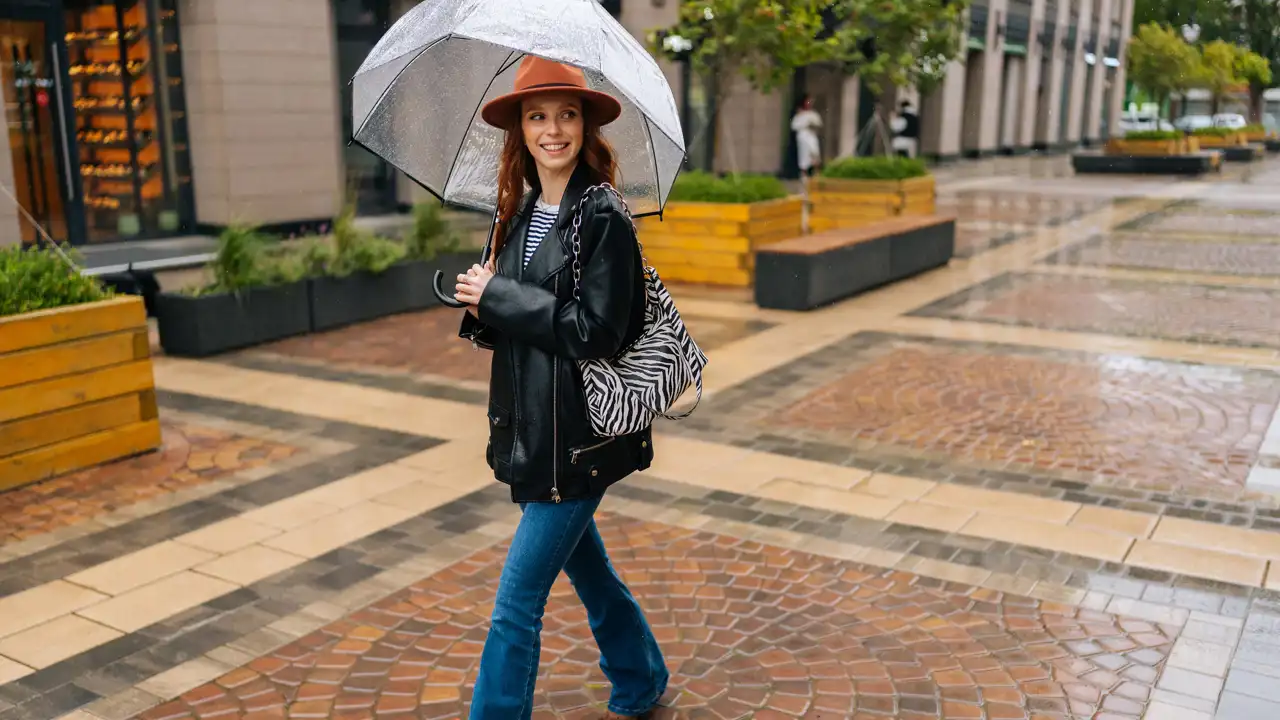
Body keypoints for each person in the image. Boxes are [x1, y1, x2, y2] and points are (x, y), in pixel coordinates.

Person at [452, 55, 669, 720]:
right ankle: (640, 678)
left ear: (586, 127)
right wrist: (482, 302)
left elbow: (596, 331)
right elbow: (517, 328)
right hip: (531, 433)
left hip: (577, 442)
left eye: (567, 115)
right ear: (520, 129)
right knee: (592, 574)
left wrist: (505, 299)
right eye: (538, 116)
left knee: (515, 605)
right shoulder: (514, 215)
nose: (553, 130)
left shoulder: (602, 216)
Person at [790, 94, 823, 177]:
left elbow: (819, 124)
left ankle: (816, 174)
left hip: (811, 136)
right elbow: (794, 126)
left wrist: (812, 125)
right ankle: (803, 174)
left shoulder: (813, 114)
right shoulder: (800, 114)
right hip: (803, 137)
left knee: (815, 153)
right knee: (804, 156)